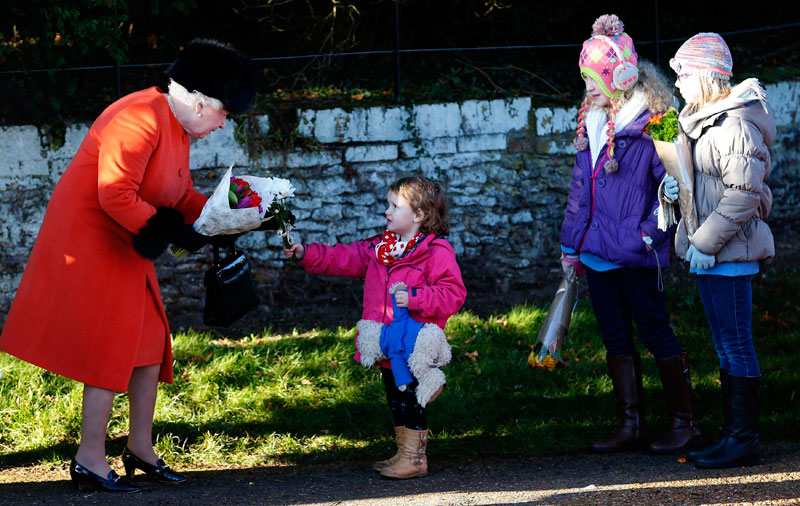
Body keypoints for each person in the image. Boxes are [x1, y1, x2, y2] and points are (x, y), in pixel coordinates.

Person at [0, 39, 258, 492]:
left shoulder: (177, 126)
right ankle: (89, 458)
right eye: (225, 113)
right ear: (201, 103)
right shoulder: (139, 116)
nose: (224, 124)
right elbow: (114, 193)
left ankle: (140, 448)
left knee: (151, 342)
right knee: (112, 345)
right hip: (92, 238)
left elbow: (176, 197)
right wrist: (177, 230)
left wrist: (227, 216)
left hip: (126, 238)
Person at [560, 14, 702, 455]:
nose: (586, 87)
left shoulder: (657, 120)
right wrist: (571, 245)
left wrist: (648, 236)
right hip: (598, 253)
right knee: (614, 336)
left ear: (618, 75)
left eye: (592, 79)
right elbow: (580, 188)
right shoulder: (591, 119)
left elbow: (676, 183)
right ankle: (631, 423)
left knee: (656, 331)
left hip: (638, 254)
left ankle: (685, 423)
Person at [283, 175, 467, 479]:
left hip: (413, 343)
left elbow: (453, 293)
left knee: (409, 398)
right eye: (388, 205)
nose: (387, 211)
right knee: (395, 398)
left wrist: (415, 298)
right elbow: (346, 257)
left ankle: (415, 459)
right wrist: (306, 253)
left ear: (419, 215)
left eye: (395, 206)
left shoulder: (436, 252)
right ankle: (404, 453)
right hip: (386, 341)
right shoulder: (383, 248)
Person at [669, 33, 775, 469]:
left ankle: (743, 439)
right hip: (711, 254)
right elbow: (700, 186)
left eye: (683, 75)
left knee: (735, 344)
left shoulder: (734, 125)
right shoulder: (698, 120)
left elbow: (744, 194)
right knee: (724, 344)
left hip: (729, 255)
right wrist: (670, 191)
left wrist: (705, 242)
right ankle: (734, 435)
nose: (677, 85)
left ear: (706, 77)